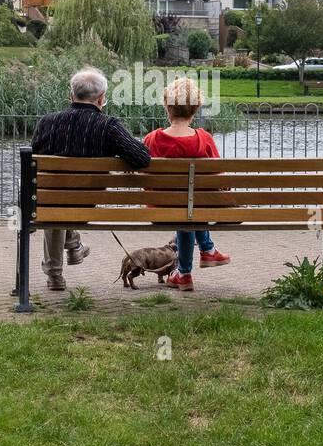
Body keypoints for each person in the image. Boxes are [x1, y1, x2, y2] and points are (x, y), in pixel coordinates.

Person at [31, 66, 150, 291]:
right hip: (87, 205)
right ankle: (73, 244)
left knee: (55, 204)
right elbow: (142, 157)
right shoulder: (108, 126)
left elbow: (33, 157)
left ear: (71, 95)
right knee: (63, 205)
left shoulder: (47, 122)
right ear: (101, 99)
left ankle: (56, 273)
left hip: (49, 201)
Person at [143, 77, 230, 292]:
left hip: (160, 209)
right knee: (190, 209)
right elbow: (220, 178)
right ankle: (202, 255)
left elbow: (141, 174)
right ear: (195, 109)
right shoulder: (204, 138)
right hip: (196, 208)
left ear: (167, 107)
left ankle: (185, 272)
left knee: (186, 210)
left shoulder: (152, 139)